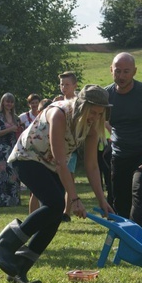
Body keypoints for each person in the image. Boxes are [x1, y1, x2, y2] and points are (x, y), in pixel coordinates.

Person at [0, 84, 114, 283]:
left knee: (54, 216)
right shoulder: (59, 113)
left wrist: (102, 200)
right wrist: (74, 199)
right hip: (27, 157)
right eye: (93, 112)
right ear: (82, 106)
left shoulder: (93, 125)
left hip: (50, 165)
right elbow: (61, 160)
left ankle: (19, 269)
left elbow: (92, 166)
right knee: (55, 204)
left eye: (100, 113)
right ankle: (2, 244)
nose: (95, 117)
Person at [105, 52, 142, 229]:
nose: (121, 76)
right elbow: (100, 120)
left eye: (126, 71)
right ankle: (124, 238)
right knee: (121, 200)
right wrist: (114, 135)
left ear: (134, 71)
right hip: (119, 156)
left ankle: (136, 239)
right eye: (118, 71)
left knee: (139, 192)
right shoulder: (106, 96)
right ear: (111, 70)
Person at [0, 93, 21, 207]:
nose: (9, 104)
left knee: (13, 175)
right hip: (0, 150)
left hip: (13, 150)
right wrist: (9, 129)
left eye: (11, 102)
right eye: (7, 101)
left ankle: (13, 201)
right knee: (0, 176)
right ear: (3, 102)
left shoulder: (16, 117)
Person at [58, 71, 78, 222]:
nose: (64, 87)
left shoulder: (79, 103)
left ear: (74, 85)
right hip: (58, 146)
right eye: (61, 84)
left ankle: (67, 211)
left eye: (67, 85)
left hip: (71, 147)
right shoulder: (58, 102)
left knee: (69, 178)